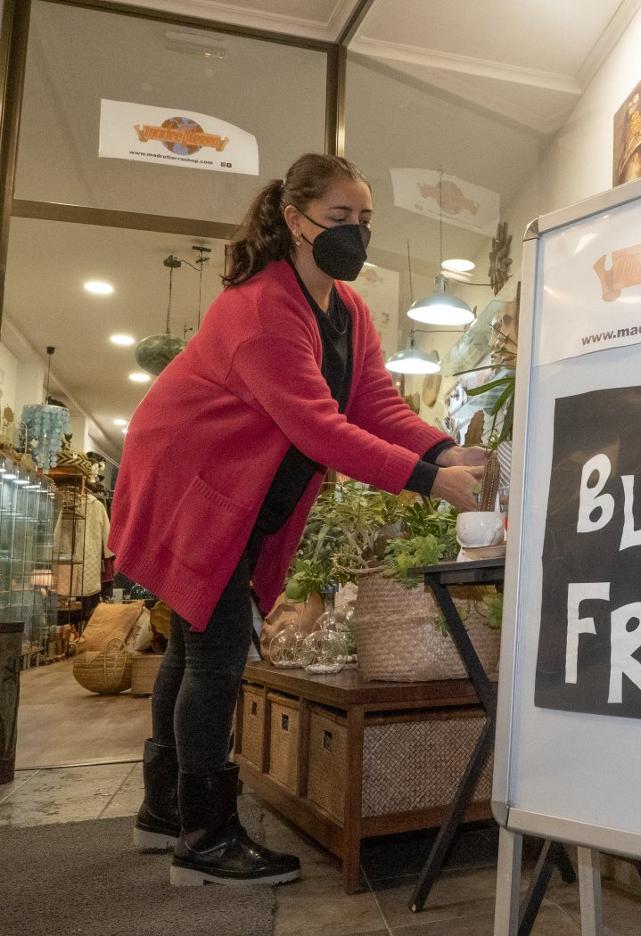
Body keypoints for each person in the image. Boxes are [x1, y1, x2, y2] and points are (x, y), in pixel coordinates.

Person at [109, 154, 487, 887]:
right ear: (294, 219)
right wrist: (436, 483)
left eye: (366, 220)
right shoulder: (257, 307)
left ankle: (163, 814)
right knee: (216, 655)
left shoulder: (348, 312)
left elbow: (375, 405)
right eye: (340, 220)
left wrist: (446, 447)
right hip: (191, 482)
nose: (356, 234)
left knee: (191, 649)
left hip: (237, 490)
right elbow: (320, 429)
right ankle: (205, 840)